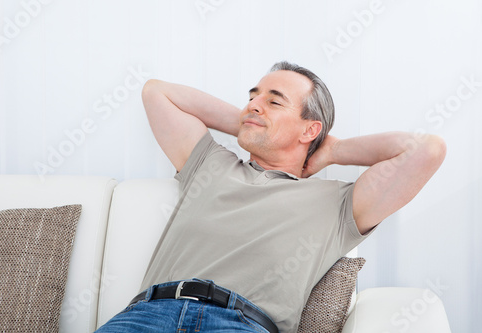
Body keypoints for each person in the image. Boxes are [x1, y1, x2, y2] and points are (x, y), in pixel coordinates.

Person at [95, 61, 446, 333]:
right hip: (146, 316)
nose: (253, 104)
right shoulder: (210, 164)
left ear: (311, 129)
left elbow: (427, 150)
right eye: (252, 96)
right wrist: (251, 120)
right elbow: (156, 92)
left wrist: (332, 150)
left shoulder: (338, 204)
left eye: (274, 100)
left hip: (241, 324)